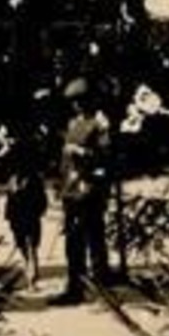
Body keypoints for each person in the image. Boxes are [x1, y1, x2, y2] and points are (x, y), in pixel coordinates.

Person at [51, 78, 112, 306]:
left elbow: (106, 154)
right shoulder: (73, 123)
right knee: (74, 240)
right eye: (73, 102)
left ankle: (97, 284)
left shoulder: (99, 123)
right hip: (71, 189)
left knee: (93, 236)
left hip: (90, 188)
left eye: (80, 101)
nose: (76, 106)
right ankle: (76, 285)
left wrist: (80, 151)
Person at [3, 140, 48, 290]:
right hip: (17, 218)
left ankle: (32, 278)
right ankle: (30, 275)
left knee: (31, 247)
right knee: (24, 247)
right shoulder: (13, 179)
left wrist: (38, 211)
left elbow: (42, 200)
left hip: (30, 217)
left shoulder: (34, 179)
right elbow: (9, 200)